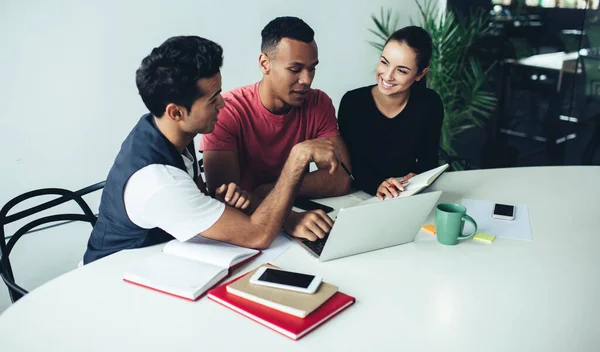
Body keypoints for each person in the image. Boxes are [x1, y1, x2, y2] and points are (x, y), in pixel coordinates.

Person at [83, 36, 342, 264]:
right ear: (176, 112)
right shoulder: (159, 181)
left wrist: (228, 202)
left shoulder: (169, 130)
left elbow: (200, 200)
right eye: (213, 98)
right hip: (114, 278)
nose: (223, 102)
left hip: (160, 259)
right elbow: (258, 235)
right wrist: (297, 158)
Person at [200, 17, 352, 241]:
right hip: (248, 233)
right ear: (264, 64)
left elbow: (340, 179)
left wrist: (264, 191)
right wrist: (288, 216)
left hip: (292, 216)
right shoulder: (226, 111)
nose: (307, 79)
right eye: (295, 69)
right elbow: (225, 198)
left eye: (312, 69)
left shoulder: (318, 103)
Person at [338, 26, 443, 200]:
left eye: (401, 70)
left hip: (406, 194)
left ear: (420, 74)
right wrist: (377, 185)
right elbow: (349, 164)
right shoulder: (353, 102)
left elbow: (429, 158)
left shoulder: (430, 104)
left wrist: (417, 176)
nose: (387, 76)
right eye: (384, 62)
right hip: (358, 195)